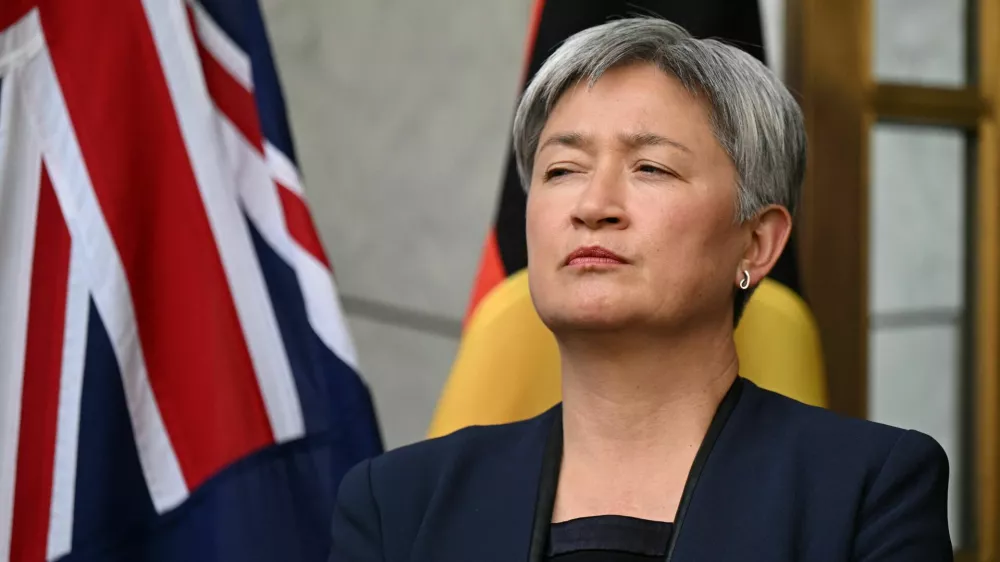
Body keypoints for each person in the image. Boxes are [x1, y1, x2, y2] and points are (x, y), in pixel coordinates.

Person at [328, 17, 952, 562]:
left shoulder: (868, 490)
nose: (593, 206)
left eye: (650, 167)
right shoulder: (398, 504)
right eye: (562, 170)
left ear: (757, 243)